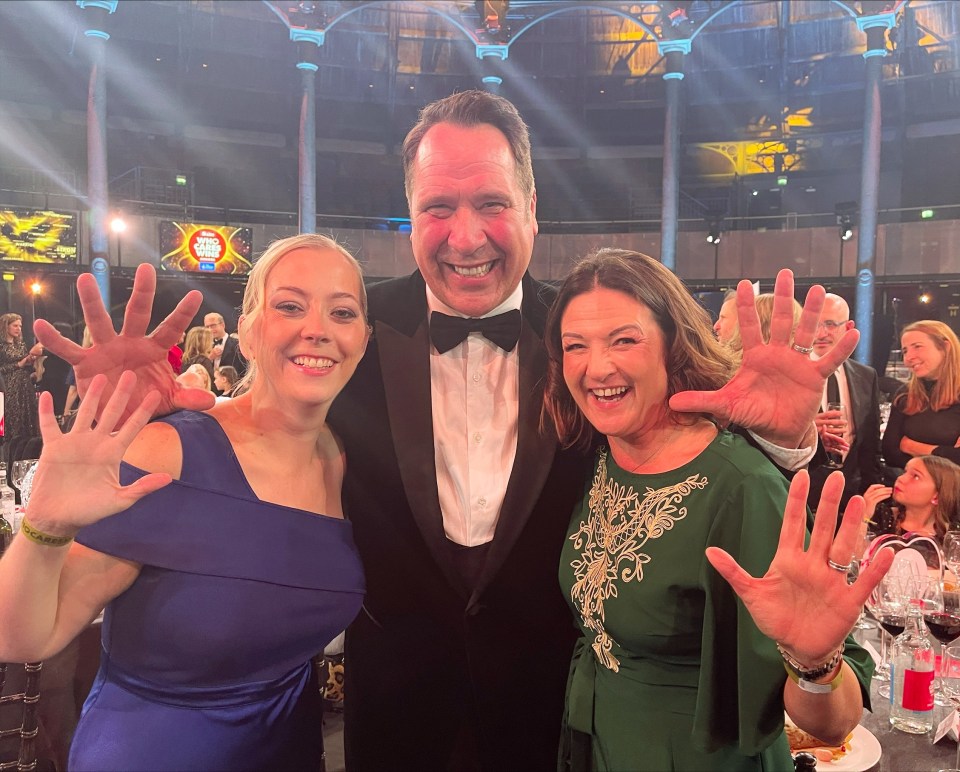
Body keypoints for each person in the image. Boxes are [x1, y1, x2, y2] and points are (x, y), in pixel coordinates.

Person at [36, 90, 858, 772]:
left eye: (492, 203)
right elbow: (261, 421)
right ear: (410, 213)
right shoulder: (348, 331)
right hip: (394, 717)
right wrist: (159, 406)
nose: (466, 236)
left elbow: (691, 454)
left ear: (533, 210)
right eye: (439, 207)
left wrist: (787, 444)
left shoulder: (588, 340)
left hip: (558, 721)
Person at [0, 233, 369, 771]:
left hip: (289, 748)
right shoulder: (169, 449)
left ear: (364, 337)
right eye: (289, 306)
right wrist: (46, 523)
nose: (317, 329)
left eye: (343, 312)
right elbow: (23, 636)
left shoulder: (343, 459)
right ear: (247, 326)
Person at [542, 248, 888, 770]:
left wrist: (815, 666)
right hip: (597, 740)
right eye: (575, 346)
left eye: (625, 340)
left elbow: (833, 724)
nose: (597, 367)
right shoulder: (596, 455)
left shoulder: (740, 486)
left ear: (672, 345)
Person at [806, 293, 885, 512]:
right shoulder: (788, 375)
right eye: (814, 324)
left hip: (850, 495)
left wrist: (871, 496)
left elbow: (870, 444)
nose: (821, 333)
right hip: (800, 494)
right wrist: (807, 431)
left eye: (830, 324)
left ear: (849, 327)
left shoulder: (866, 376)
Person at [882, 320, 960, 470]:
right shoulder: (906, 395)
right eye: (905, 351)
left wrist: (912, 446)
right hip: (914, 488)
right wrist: (945, 454)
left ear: (945, 347)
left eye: (917, 347)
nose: (909, 357)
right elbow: (890, 453)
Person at [862, 454, 960, 539]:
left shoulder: (951, 536)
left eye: (916, 476)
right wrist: (863, 516)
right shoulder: (881, 516)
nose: (900, 478)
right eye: (905, 472)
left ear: (936, 497)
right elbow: (856, 555)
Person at [0, 312, 42, 439]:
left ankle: (27, 448)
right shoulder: (1, 346)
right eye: (15, 326)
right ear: (6, 327)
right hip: (8, 385)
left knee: (28, 415)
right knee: (13, 416)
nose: (18, 329)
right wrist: (18, 364)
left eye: (20, 326)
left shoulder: (21, 345)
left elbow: (26, 364)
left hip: (24, 384)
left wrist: (31, 361)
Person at [205, 312, 247, 378]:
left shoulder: (237, 344)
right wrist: (210, 358)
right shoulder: (205, 346)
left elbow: (244, 368)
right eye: (207, 327)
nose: (210, 330)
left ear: (222, 325)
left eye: (213, 326)